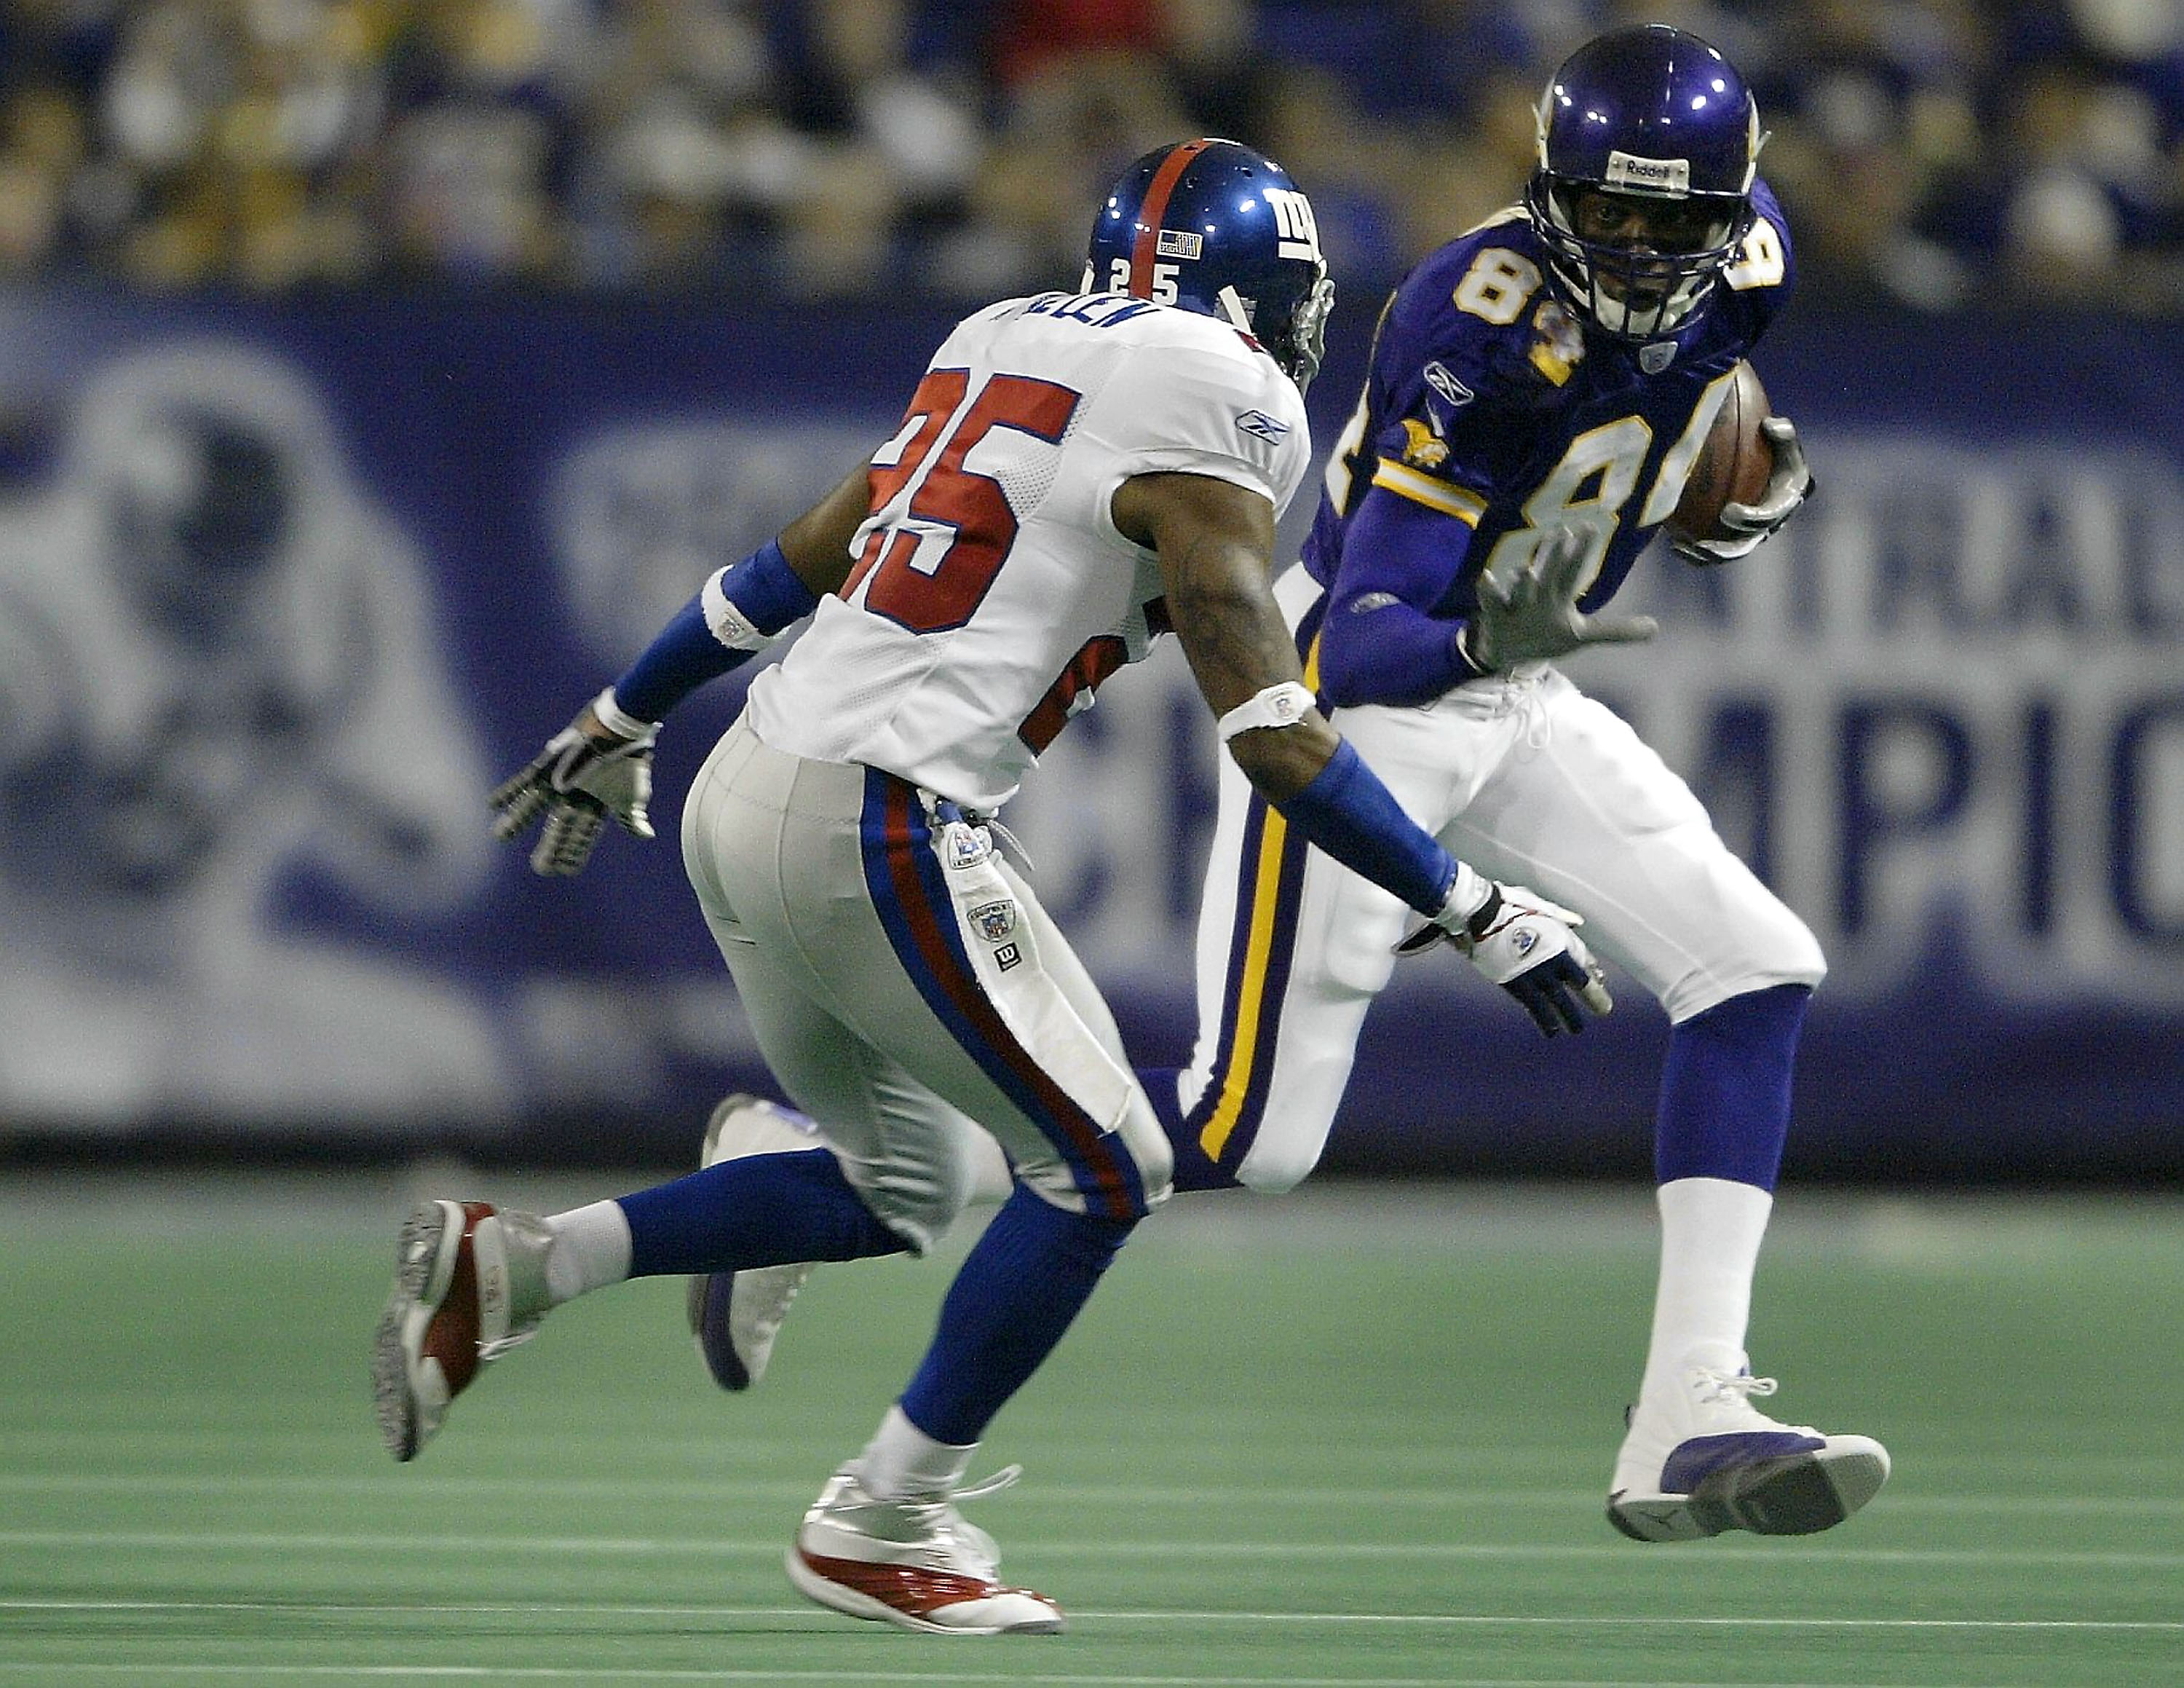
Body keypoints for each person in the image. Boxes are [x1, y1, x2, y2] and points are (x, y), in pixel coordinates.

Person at [373, 137, 1613, 1635]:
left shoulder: (1002, 334)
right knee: (1103, 1166)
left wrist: (618, 717)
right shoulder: (1229, 397)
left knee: (914, 1184)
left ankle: (516, 1268)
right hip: (878, 817)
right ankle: (881, 1514)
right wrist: (1477, 902)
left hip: (746, 781)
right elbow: (1272, 728)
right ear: (1251, 292)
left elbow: (796, 563)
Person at [1148, 24, 1890, 1544]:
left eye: (1664, 219)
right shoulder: (1470, 313)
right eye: (1601, 212)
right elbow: (1360, 645)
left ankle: (1691, 1413)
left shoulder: (1753, 266)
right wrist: (1494, 624)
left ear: (1730, 207)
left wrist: (1722, 475)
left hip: (1509, 689)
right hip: (1364, 713)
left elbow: (1666, 411)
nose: (1628, 248)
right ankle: (857, 1163)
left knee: (1755, 967)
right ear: (1546, 189)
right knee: (1245, 1138)